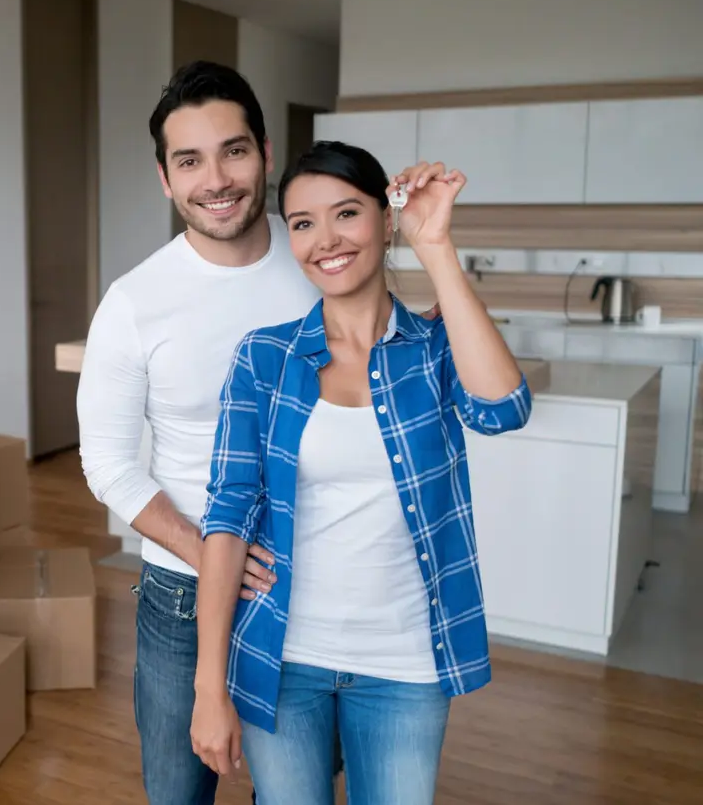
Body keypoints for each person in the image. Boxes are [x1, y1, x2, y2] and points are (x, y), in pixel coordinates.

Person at [77, 60, 437, 804]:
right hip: (185, 594)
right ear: (165, 179)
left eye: (233, 151)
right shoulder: (134, 303)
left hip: (319, 588)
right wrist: (214, 555)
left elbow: (385, 354)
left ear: (266, 154)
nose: (216, 178)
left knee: (303, 787)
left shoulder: (317, 250)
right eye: (190, 160)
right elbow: (108, 465)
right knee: (181, 790)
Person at [189, 140, 533, 804]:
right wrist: (210, 687)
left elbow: (502, 410)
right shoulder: (265, 358)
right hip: (281, 659)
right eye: (304, 223)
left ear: (384, 216)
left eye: (346, 213)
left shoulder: (434, 348)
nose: (326, 240)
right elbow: (226, 517)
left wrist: (434, 247)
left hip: (405, 663)